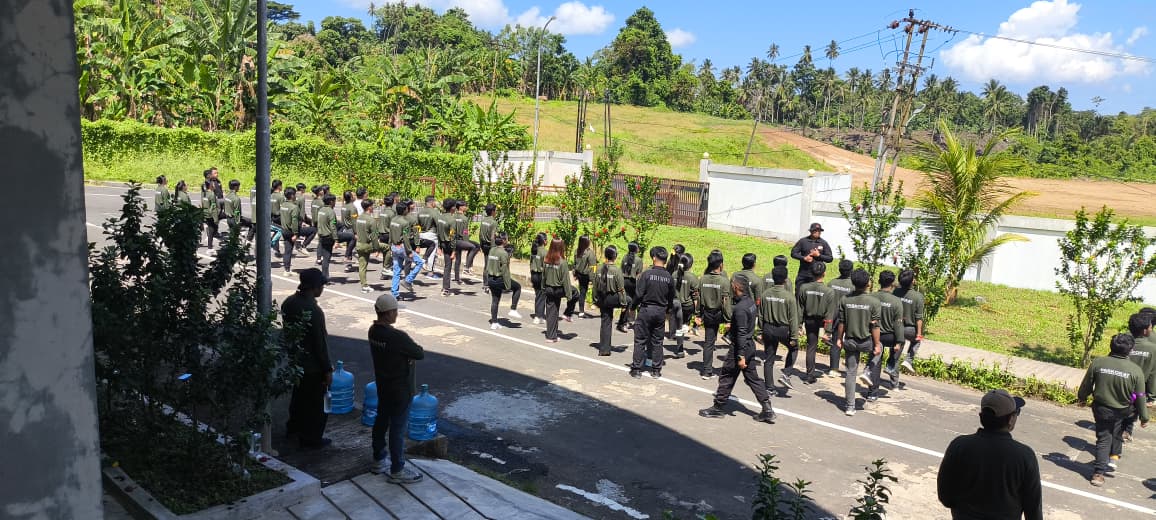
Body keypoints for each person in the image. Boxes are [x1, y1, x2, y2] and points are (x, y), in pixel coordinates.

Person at [937, 389, 1042, 520]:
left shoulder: (959, 446)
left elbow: (945, 496)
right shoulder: (1025, 456)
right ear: (1011, 419)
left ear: (981, 416)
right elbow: (1033, 510)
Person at [698, 276, 776, 424]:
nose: (731, 287)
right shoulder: (750, 303)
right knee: (753, 378)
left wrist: (740, 356)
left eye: (732, 285)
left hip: (740, 348)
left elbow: (740, 332)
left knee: (727, 376)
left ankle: (718, 407)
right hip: (749, 345)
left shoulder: (740, 309)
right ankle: (767, 409)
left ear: (737, 287)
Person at [366, 293, 425, 484]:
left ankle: (378, 459)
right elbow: (418, 353)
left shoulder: (373, 332)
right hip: (400, 389)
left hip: (383, 386)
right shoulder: (397, 336)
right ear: (389, 313)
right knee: (398, 429)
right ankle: (397, 469)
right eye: (395, 311)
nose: (397, 314)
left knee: (381, 422)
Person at [1078, 333, 1149, 486]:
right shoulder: (1136, 371)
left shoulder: (1098, 363)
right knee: (1110, 435)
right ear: (1130, 350)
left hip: (1101, 408)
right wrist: (1144, 417)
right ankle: (1099, 471)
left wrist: (1082, 398)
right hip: (1123, 410)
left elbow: (1087, 385)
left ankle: (1108, 461)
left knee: (1105, 435)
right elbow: (1140, 396)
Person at [282, 268, 333, 449]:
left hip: (296, 361)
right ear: (314, 287)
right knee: (317, 406)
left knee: (299, 398)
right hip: (313, 366)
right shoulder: (314, 310)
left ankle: (293, 428)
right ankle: (312, 438)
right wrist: (327, 369)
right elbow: (320, 344)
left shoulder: (289, 303)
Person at [834, 269, 881, 417]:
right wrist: (877, 343)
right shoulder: (874, 302)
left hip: (850, 341)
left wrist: (839, 338)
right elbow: (875, 326)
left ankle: (849, 406)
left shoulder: (845, 299)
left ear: (853, 282)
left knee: (850, 372)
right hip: (867, 341)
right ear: (868, 283)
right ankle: (867, 370)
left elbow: (842, 322)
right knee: (880, 350)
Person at [630, 246, 676, 379]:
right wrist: (667, 311)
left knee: (640, 340)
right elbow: (671, 297)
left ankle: (637, 369)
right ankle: (656, 370)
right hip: (660, 311)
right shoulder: (668, 277)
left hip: (646, 310)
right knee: (658, 341)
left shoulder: (647, 274)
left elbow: (638, 294)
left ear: (654, 258)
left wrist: (632, 307)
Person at [760, 266, 801, 393]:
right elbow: (793, 319)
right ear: (785, 279)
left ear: (772, 278)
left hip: (767, 328)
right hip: (782, 330)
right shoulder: (789, 297)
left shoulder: (765, 294)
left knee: (769, 357)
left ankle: (769, 387)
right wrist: (794, 337)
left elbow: (760, 314)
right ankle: (786, 374)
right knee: (793, 348)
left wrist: (760, 331)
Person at [863, 271, 903, 400]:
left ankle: (872, 393)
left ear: (879, 281)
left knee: (875, 361)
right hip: (890, 336)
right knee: (894, 350)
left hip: (874, 335)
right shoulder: (896, 301)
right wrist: (898, 342)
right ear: (892, 283)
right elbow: (898, 324)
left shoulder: (871, 297)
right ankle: (891, 365)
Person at [797, 261, 836, 384]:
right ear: (824, 273)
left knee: (811, 346)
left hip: (809, 320)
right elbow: (830, 312)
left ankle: (809, 375)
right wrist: (828, 331)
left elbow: (800, 308)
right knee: (815, 346)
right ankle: (832, 368)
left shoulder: (804, 288)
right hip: (822, 320)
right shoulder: (829, 291)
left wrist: (799, 325)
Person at [697, 251, 732, 379]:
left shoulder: (703, 279)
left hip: (707, 313)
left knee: (708, 342)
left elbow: (699, 300)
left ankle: (706, 371)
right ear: (721, 265)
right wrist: (729, 320)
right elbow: (725, 302)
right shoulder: (724, 281)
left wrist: (698, 315)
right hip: (718, 313)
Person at [1123, 312, 1156, 443]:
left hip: (1120, 383)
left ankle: (1120, 430)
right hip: (1138, 389)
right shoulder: (1153, 347)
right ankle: (1126, 431)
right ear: (1145, 329)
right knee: (1133, 410)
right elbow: (1153, 373)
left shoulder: (1124, 339)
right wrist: (1152, 396)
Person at [483, 233, 523, 329]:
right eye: (507, 239)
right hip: (499, 279)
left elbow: (487, 267)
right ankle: (513, 309)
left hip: (491, 279)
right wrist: (508, 285)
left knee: (495, 300)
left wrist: (486, 283)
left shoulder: (492, 250)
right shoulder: (503, 253)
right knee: (517, 287)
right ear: (504, 241)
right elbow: (505, 271)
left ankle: (494, 322)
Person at [594, 245, 626, 356]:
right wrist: (623, 304)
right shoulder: (617, 270)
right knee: (630, 300)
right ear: (615, 256)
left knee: (605, 322)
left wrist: (595, 299)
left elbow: (595, 286)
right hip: (612, 298)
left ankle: (604, 348)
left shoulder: (599, 268)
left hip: (601, 297)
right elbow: (621, 289)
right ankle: (622, 322)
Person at [542, 239, 576, 343]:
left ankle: (551, 336)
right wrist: (569, 296)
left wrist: (543, 288)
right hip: (558, 289)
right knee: (576, 293)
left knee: (551, 311)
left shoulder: (546, 260)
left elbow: (543, 276)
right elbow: (566, 280)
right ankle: (568, 313)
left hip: (548, 288)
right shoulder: (562, 262)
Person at [388, 199, 423, 299]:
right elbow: (406, 238)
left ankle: (395, 293)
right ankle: (408, 280)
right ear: (404, 210)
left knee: (397, 270)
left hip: (394, 247)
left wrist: (390, 246)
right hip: (402, 247)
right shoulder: (405, 222)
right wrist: (409, 251)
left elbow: (390, 234)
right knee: (419, 262)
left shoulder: (393, 220)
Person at [826, 259, 855, 376]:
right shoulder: (853, 286)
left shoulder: (831, 283)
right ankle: (848, 362)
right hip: (848, 317)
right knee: (849, 340)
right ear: (851, 271)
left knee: (835, 341)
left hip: (833, 316)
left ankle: (833, 369)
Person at [894, 269, 925, 375]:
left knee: (895, 354)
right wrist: (919, 334)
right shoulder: (918, 296)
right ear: (913, 281)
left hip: (895, 327)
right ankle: (908, 360)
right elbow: (919, 318)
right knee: (917, 341)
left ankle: (893, 379)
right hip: (909, 329)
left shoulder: (896, 292)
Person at [791, 222, 834, 291]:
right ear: (811, 231)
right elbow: (793, 253)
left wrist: (819, 255)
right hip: (803, 273)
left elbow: (830, 258)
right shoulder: (803, 241)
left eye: (819, 231)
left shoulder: (823, 243)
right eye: (815, 230)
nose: (818, 232)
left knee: (812, 296)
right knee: (799, 293)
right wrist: (804, 258)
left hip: (816, 276)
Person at [671, 253, 699, 358]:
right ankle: (688, 326)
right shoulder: (692, 278)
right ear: (690, 264)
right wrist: (697, 313)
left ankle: (679, 350)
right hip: (687, 307)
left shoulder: (674, 274)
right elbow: (696, 298)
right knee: (682, 327)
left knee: (679, 327)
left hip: (676, 304)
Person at [565, 236, 597, 319]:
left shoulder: (577, 251)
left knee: (582, 292)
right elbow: (593, 267)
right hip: (586, 275)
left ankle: (581, 311)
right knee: (583, 292)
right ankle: (581, 312)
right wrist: (592, 279)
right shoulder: (590, 253)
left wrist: (574, 274)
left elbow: (575, 263)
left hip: (579, 274)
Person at [616, 242, 644, 332]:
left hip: (624, 281)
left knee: (625, 303)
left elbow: (621, 269)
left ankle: (624, 321)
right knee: (632, 303)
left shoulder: (624, 257)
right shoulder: (639, 260)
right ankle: (628, 321)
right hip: (632, 283)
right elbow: (639, 275)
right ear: (636, 249)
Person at [354, 199, 379, 293]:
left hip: (359, 244)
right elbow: (374, 236)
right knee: (386, 247)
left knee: (362, 266)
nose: (373, 207)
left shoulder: (359, 218)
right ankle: (386, 268)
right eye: (372, 206)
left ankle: (364, 285)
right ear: (369, 207)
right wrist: (376, 249)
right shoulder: (371, 220)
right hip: (367, 245)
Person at [452, 200, 480, 280]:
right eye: (465, 206)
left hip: (454, 239)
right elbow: (465, 232)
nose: (466, 207)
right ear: (461, 207)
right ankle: (467, 267)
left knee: (458, 259)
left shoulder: (453, 216)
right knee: (475, 246)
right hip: (461, 239)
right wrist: (466, 242)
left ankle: (457, 277)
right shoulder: (464, 218)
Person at [315, 194, 339, 281]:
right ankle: (325, 277)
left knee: (325, 257)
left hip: (321, 235)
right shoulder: (331, 211)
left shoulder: (321, 210)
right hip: (328, 237)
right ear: (331, 202)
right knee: (326, 258)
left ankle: (324, 275)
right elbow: (333, 226)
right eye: (334, 201)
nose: (335, 203)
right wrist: (336, 239)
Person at [435, 199, 457, 295]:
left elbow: (438, 233)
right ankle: (446, 288)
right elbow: (452, 236)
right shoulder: (452, 220)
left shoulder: (440, 218)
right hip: (449, 244)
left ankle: (445, 287)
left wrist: (439, 246)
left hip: (442, 243)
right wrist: (454, 251)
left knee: (446, 266)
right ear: (453, 208)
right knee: (448, 266)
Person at [529, 233, 548, 324]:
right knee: (542, 296)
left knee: (538, 295)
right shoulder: (544, 252)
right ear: (544, 241)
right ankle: (538, 316)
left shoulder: (533, 250)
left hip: (533, 274)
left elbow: (531, 263)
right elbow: (546, 267)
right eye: (546, 239)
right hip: (541, 275)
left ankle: (538, 314)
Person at [201, 170, 221, 251]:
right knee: (211, 228)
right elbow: (213, 207)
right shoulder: (211, 194)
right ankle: (209, 247)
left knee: (211, 228)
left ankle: (210, 245)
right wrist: (216, 219)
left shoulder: (206, 193)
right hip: (211, 213)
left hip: (207, 212)